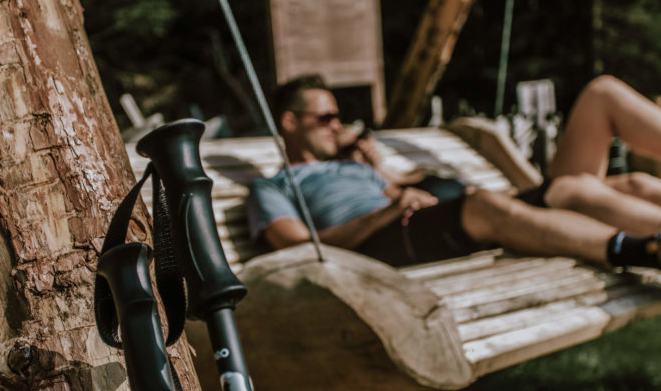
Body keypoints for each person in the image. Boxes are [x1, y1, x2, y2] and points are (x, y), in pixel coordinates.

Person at [247, 74, 661, 269]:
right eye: (326, 117)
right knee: (482, 205)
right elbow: (297, 248)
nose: (337, 124)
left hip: (422, 216)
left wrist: (383, 173)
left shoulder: (355, 166)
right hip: (378, 245)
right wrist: (388, 211)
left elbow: (403, 194)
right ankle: (638, 250)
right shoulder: (273, 186)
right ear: (289, 123)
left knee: (573, 184)